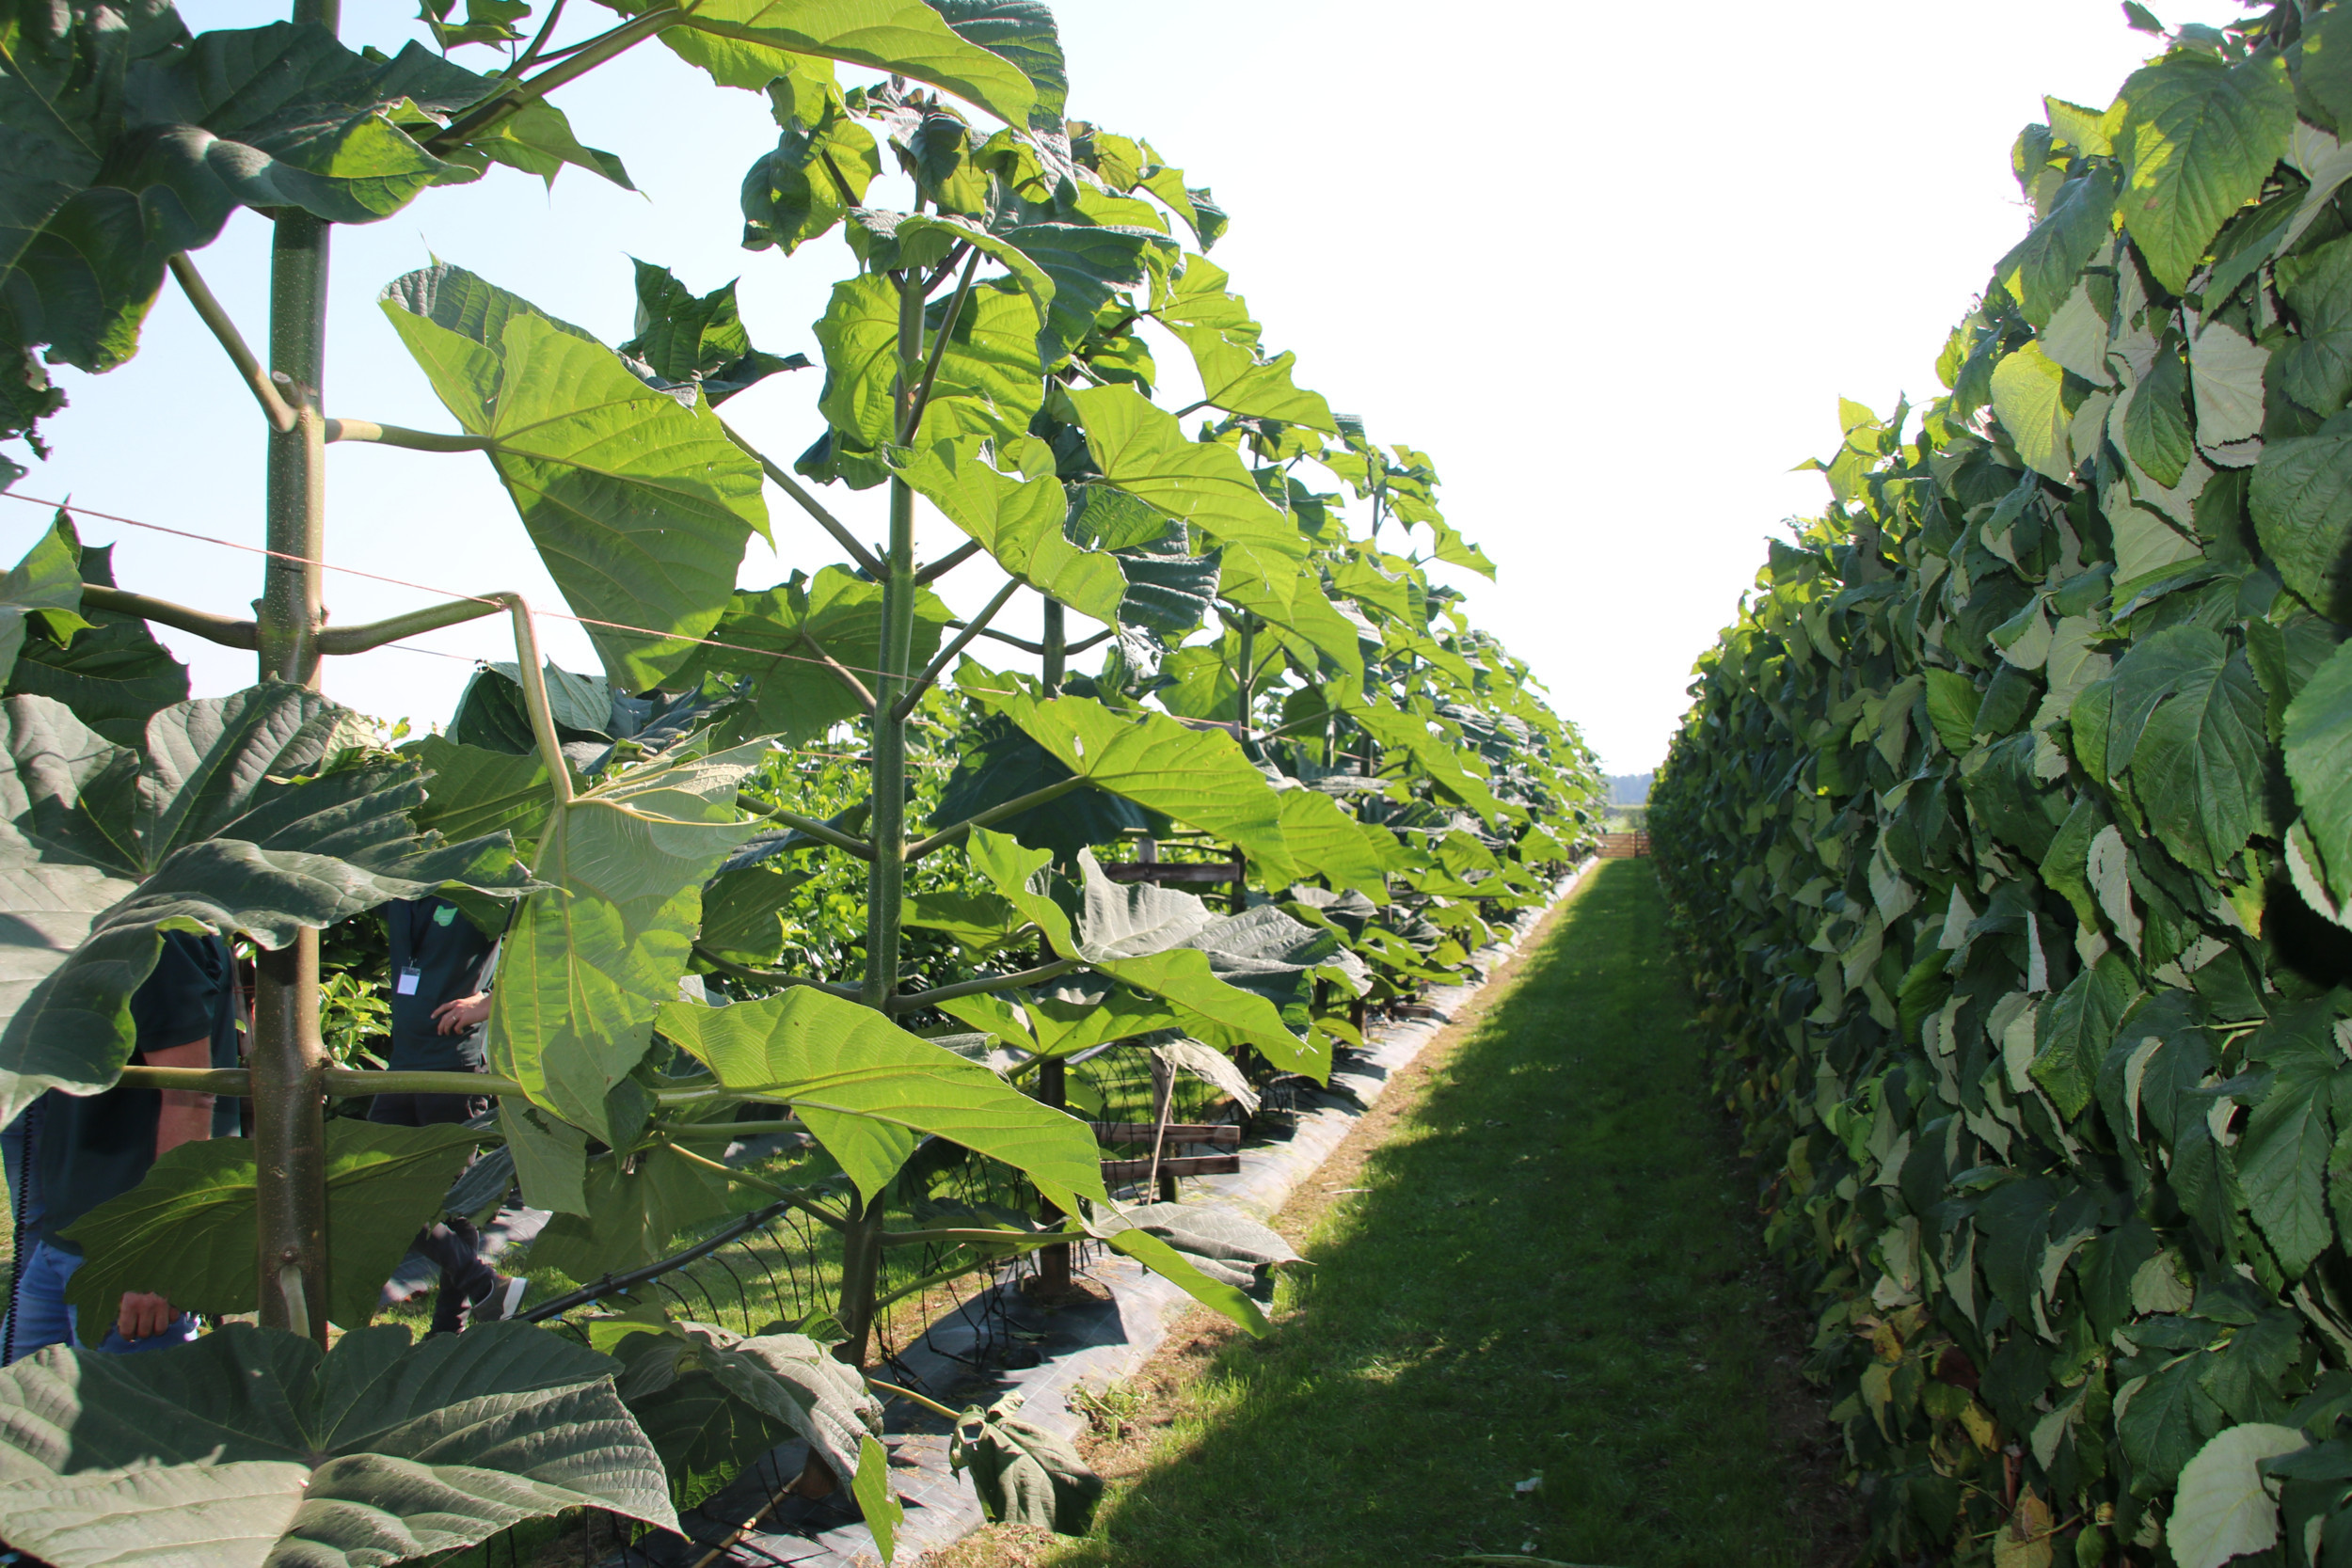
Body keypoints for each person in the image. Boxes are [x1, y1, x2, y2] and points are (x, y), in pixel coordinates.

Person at [2, 928, 242, 1361]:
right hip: (66, 1234)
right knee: (22, 1407)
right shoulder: (93, 920)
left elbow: (191, 1094)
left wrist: (156, 1257)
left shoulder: (161, 934)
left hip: (124, 1246)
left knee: (129, 1420)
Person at [373, 895, 524, 1331]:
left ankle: (447, 1329)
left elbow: (553, 946)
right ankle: (483, 1286)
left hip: (453, 1064)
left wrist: (490, 1001)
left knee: (455, 1203)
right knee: (375, 1186)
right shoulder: (401, 887)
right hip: (401, 1065)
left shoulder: (483, 887)